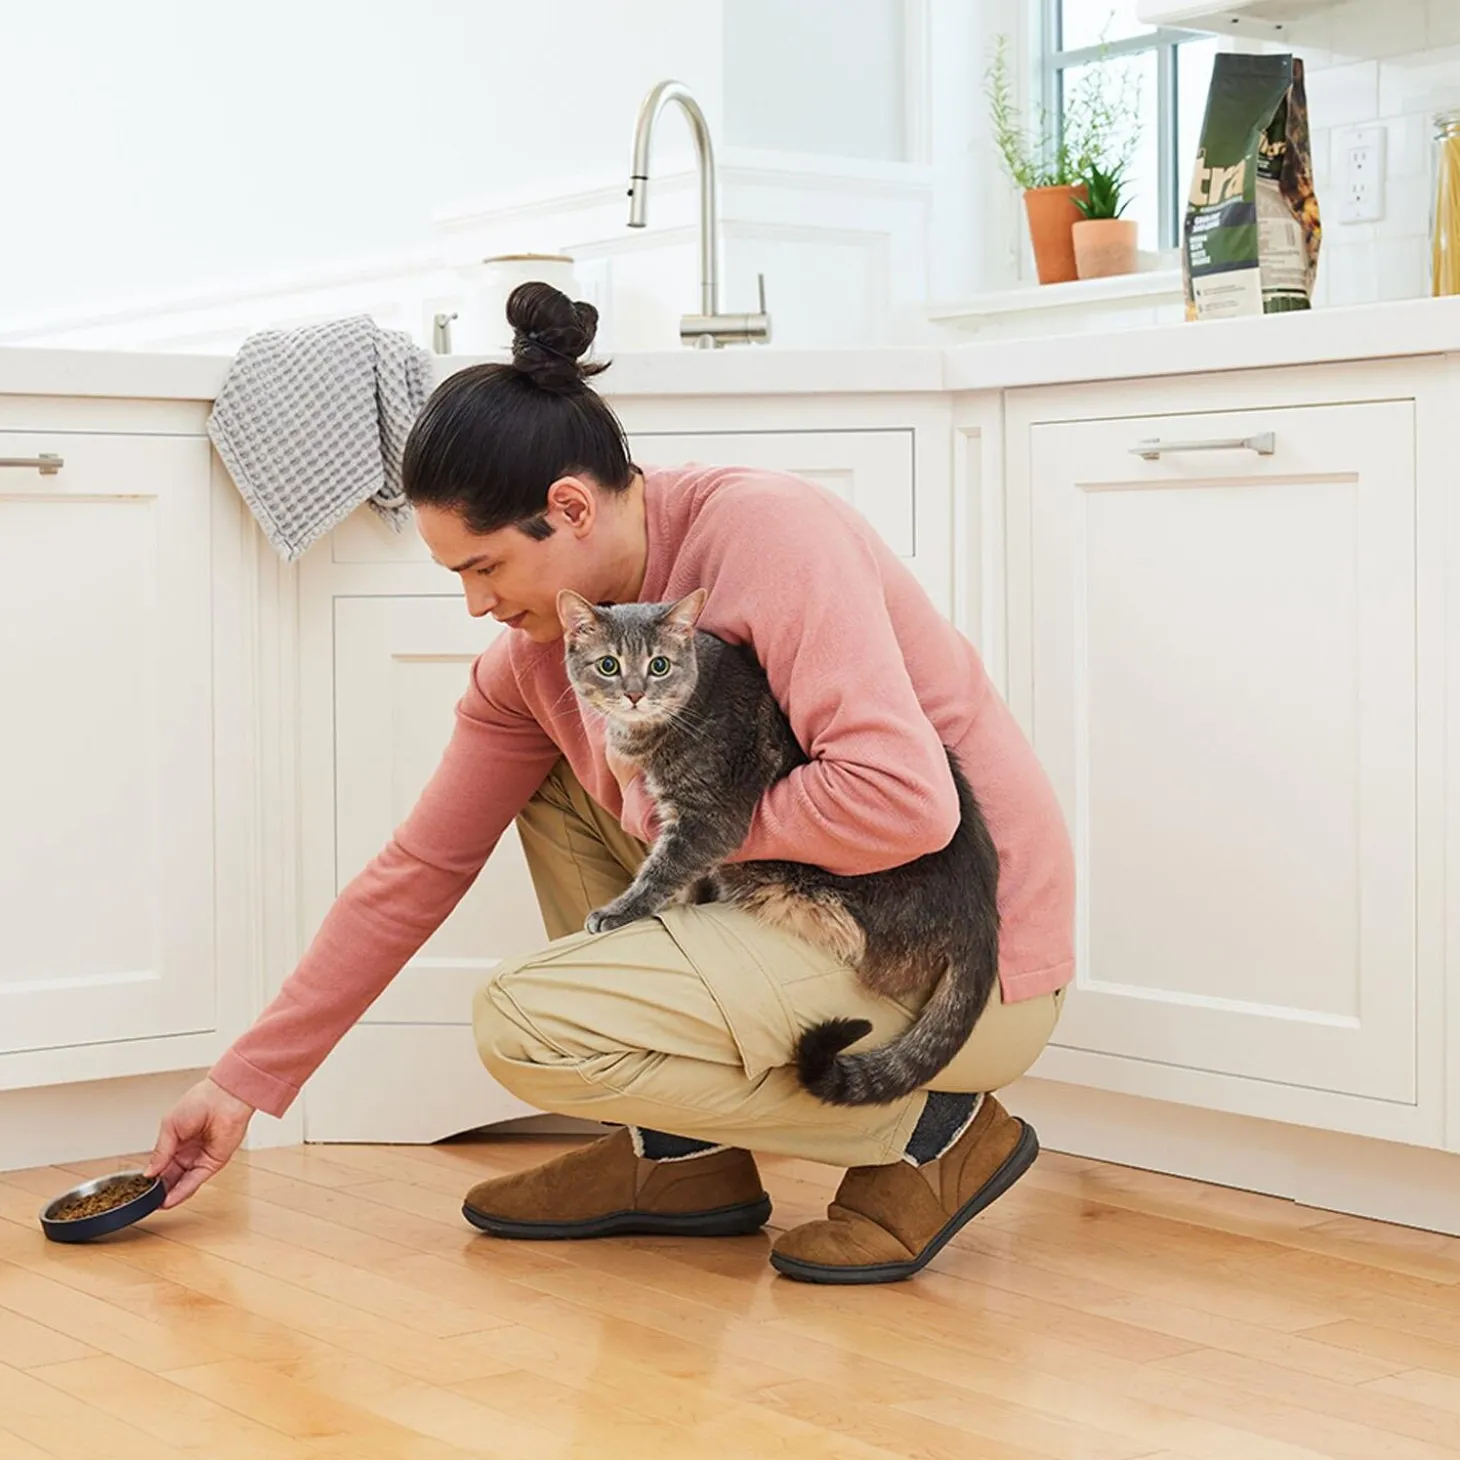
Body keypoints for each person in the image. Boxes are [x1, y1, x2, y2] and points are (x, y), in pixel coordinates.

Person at [148, 283, 1074, 1285]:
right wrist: (241, 1081)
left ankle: (934, 1130)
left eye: (485, 565)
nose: (474, 604)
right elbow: (422, 862)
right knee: (552, 780)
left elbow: (905, 800)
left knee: (527, 1025)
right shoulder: (540, 655)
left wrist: (695, 822)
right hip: (812, 911)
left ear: (570, 507)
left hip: (952, 953)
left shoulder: (766, 534)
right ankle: (678, 1161)